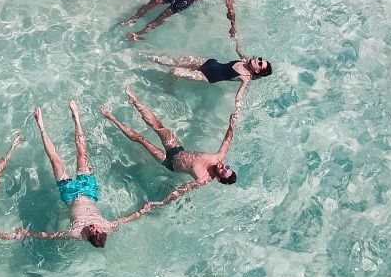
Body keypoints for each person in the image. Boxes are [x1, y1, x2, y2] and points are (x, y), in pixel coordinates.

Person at [99, 84, 244, 206]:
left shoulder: (203, 178)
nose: (224, 166)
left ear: (219, 178)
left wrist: (159, 203)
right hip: (177, 149)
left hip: (168, 162)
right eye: (227, 167)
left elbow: (181, 191)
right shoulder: (218, 157)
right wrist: (232, 123)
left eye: (224, 171)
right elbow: (227, 139)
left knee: (141, 139)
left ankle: (111, 118)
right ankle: (134, 100)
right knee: (158, 126)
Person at [33, 102, 113, 248]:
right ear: (103, 231)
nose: (93, 227)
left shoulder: (76, 233)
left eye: (92, 231)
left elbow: (49, 236)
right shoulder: (107, 226)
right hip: (88, 190)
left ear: (89, 237)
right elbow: (133, 216)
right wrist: (154, 204)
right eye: (97, 229)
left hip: (69, 195)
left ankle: (41, 126)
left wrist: (22, 234)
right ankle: (76, 117)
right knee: (81, 154)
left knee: (55, 159)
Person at [143, 53, 272, 85]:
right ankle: (145, 57)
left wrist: (236, 112)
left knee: (175, 71)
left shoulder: (245, 78)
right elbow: (238, 49)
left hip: (208, 77)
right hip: (210, 63)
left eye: (260, 64)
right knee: (175, 61)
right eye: (260, 59)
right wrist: (234, 34)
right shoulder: (245, 61)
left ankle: (168, 84)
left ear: (257, 71)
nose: (258, 61)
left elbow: (240, 95)